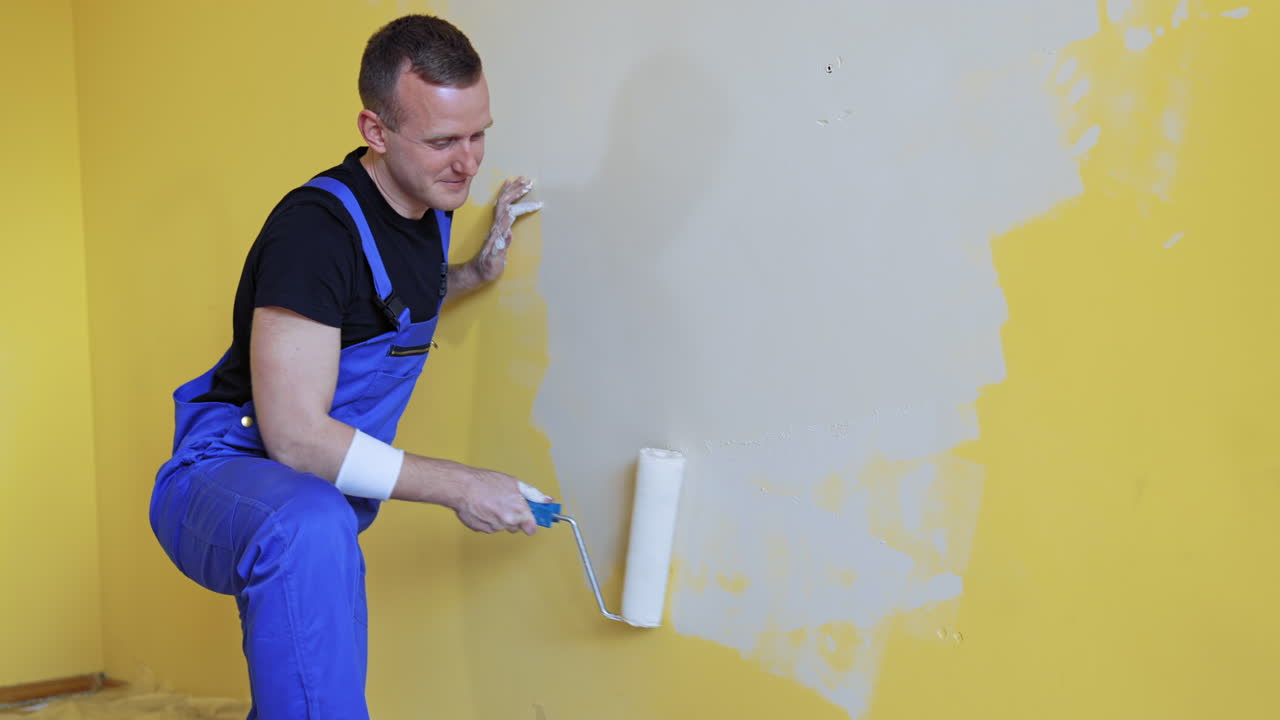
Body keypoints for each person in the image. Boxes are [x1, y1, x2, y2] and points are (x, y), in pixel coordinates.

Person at [149, 14, 547, 719]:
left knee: (313, 633)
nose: (469, 163)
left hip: (313, 504)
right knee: (309, 525)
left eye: (479, 132)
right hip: (220, 477)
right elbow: (296, 440)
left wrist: (473, 275)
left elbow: (384, 303)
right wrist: (461, 484)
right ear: (375, 130)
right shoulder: (314, 233)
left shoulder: (428, 203)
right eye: (443, 141)